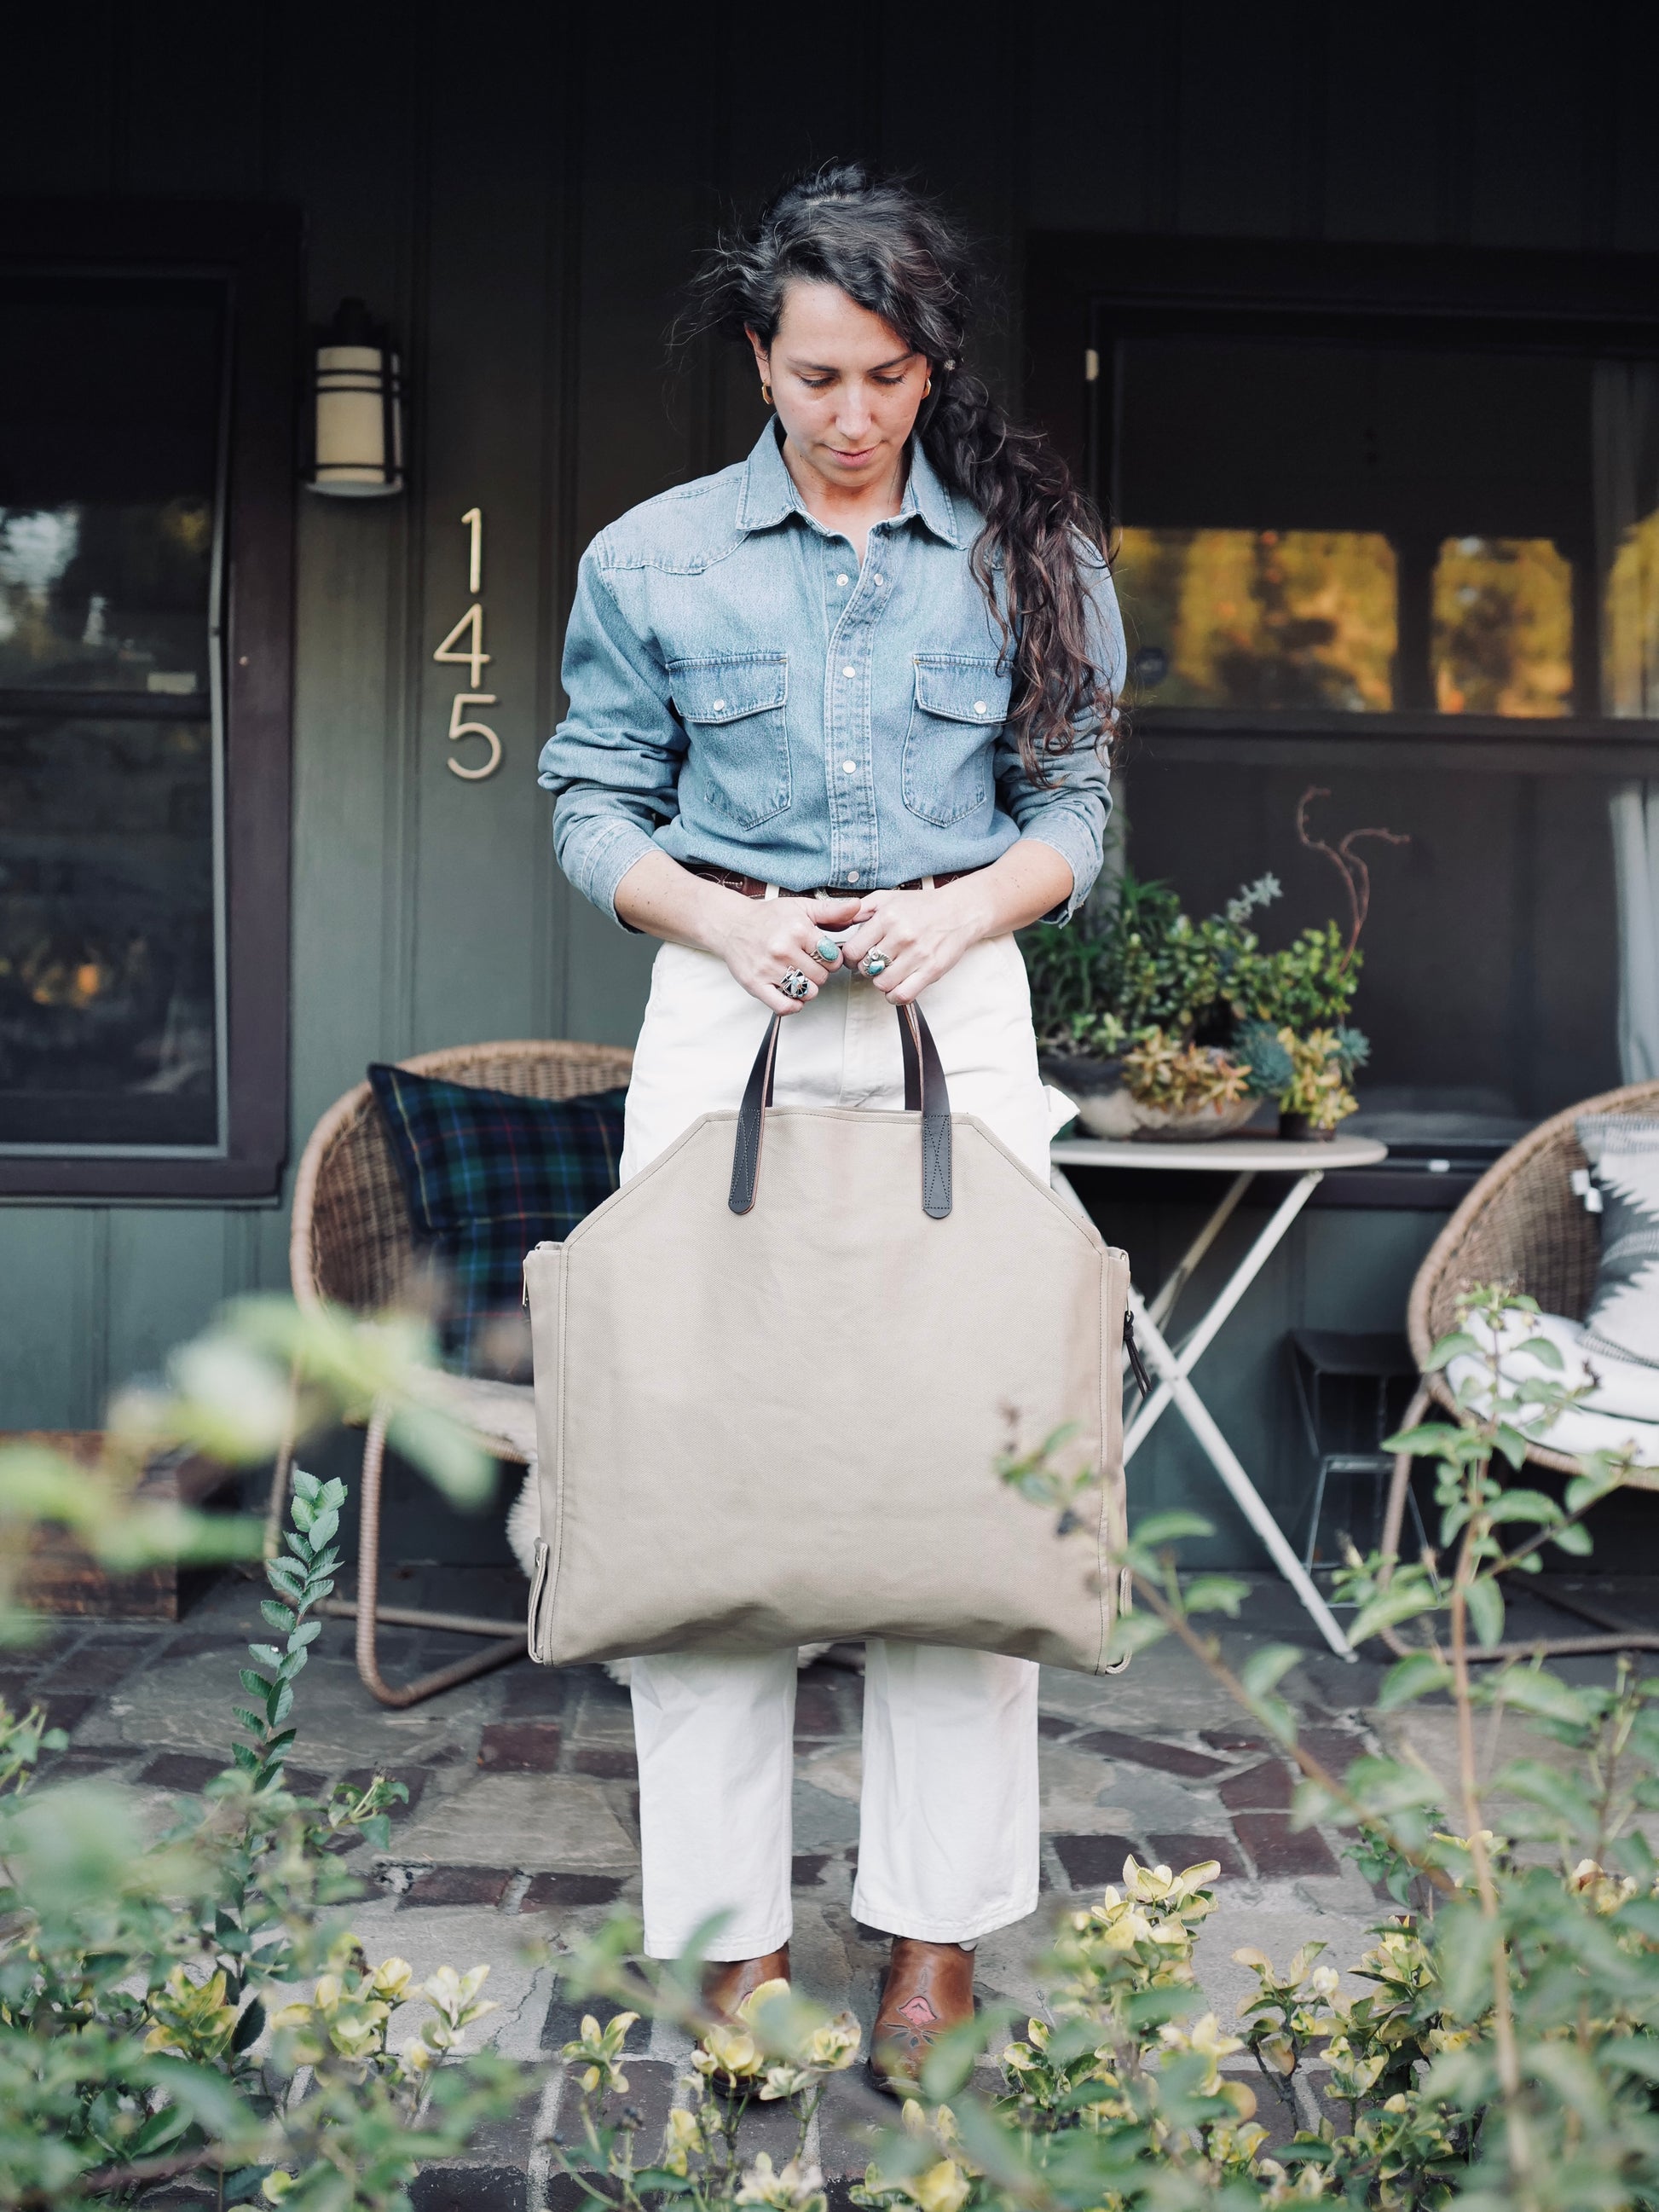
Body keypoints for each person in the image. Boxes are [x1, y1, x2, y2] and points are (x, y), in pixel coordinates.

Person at [537, 161, 1123, 2089]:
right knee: (702, 1476)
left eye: (883, 376)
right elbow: (592, 801)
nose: (850, 417)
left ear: (931, 362)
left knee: (968, 1479)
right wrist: (722, 915)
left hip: (960, 1001)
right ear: (756, 362)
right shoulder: (654, 558)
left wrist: (967, 909)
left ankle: (932, 1937)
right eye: (812, 379)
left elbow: (1072, 806)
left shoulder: (1026, 555)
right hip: (726, 1014)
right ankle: (729, 1944)